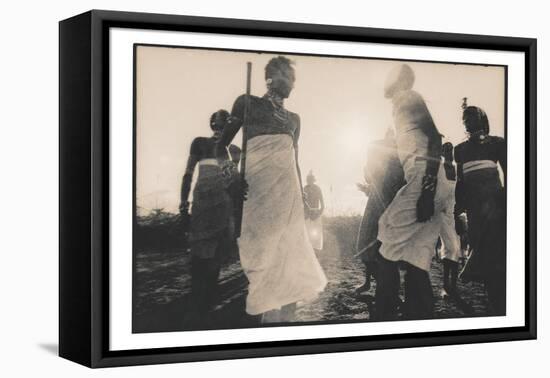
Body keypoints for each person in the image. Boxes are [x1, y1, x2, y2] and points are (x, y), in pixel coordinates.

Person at [216, 56, 327, 323]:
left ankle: (284, 329)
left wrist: (303, 199)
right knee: (261, 262)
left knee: (291, 263)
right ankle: (261, 326)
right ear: (270, 76)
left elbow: (294, 162)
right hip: (256, 194)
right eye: (287, 76)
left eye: (294, 79)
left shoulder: (294, 120)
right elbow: (219, 147)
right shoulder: (247, 103)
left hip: (288, 199)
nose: (292, 83)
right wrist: (231, 176)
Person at [377, 64, 456, 320]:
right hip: (428, 180)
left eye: (390, 73)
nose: (385, 78)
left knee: (386, 234)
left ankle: (384, 312)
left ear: (400, 80)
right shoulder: (398, 105)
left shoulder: (409, 98)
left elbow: (434, 139)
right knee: (416, 255)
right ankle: (418, 314)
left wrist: (427, 190)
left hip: (427, 179)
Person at [179, 109, 242, 326]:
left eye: (224, 126)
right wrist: (182, 205)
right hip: (202, 204)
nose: (219, 128)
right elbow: (188, 174)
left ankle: (206, 309)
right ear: (212, 124)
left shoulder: (231, 152)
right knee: (198, 256)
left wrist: (236, 214)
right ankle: (195, 307)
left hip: (223, 207)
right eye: (217, 124)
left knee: (216, 257)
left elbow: (234, 184)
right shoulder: (200, 143)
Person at [454, 99, 506, 315]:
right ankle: (497, 309)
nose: (469, 122)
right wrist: (457, 212)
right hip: (475, 214)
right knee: (485, 264)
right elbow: (461, 183)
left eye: (473, 118)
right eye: (466, 119)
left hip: (498, 211)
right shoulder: (460, 150)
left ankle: (505, 307)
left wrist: (504, 202)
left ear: (483, 120)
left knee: (500, 261)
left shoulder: (498, 143)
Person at [355, 129, 405, 297]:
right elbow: (369, 174)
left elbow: (370, 174)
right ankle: (375, 283)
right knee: (367, 245)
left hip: (391, 203)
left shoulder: (400, 153)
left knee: (381, 247)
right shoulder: (378, 149)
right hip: (379, 201)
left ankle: (388, 289)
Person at [438, 142, 462, 297]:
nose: (449, 152)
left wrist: (461, 210)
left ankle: (452, 285)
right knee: (450, 248)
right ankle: (446, 287)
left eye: (451, 150)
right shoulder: (439, 168)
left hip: (455, 213)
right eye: (446, 150)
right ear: (442, 152)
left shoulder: (457, 168)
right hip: (442, 212)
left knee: (456, 249)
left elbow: (461, 190)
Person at [304, 171, 325, 252]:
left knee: (316, 234)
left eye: (311, 179)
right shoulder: (304, 189)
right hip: (307, 214)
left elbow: (322, 205)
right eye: (308, 180)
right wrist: (307, 213)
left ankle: (316, 252)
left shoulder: (318, 189)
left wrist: (318, 214)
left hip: (316, 214)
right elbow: (303, 203)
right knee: (307, 234)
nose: (309, 181)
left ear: (313, 180)